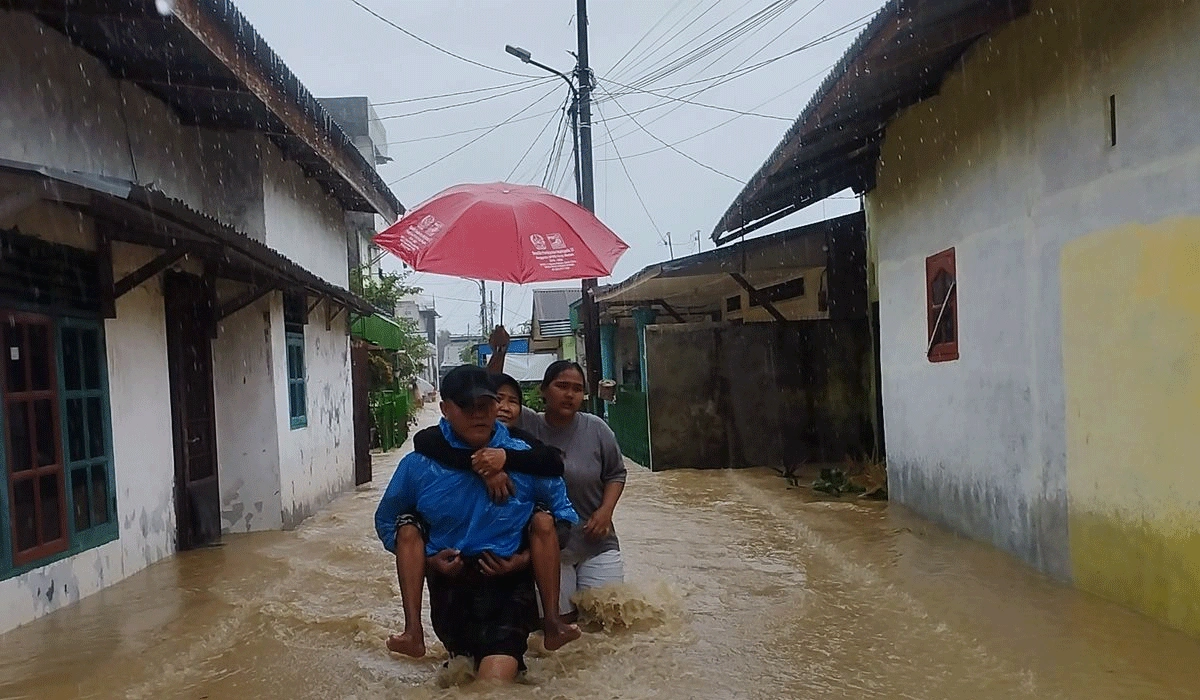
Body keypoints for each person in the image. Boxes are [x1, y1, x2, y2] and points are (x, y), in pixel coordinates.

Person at [375, 365, 579, 682]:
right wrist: (430, 560)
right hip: (450, 587)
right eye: (466, 407)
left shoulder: (523, 456)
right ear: (445, 409)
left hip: (508, 586)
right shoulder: (419, 465)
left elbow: (564, 515)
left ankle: (551, 623)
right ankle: (412, 632)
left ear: (496, 406)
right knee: (406, 525)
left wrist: (522, 561)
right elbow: (386, 523)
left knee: (493, 683)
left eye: (485, 406)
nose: (478, 415)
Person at [487, 327, 628, 620]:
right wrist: (500, 352)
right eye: (562, 386)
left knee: (606, 621)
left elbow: (616, 473)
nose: (570, 394)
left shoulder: (597, 429)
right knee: (557, 622)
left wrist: (605, 511)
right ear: (543, 390)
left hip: (596, 542)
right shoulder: (526, 425)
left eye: (577, 389)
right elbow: (492, 397)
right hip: (548, 547)